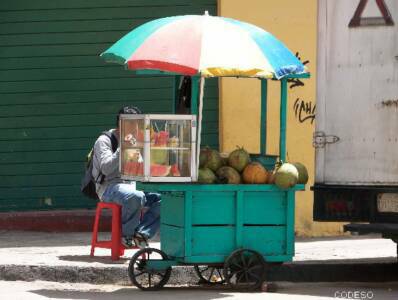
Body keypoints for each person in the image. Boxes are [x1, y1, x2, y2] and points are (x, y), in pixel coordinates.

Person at [92, 106, 161, 248]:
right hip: (108, 187)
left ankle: (142, 233)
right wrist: (122, 147)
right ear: (121, 124)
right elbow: (106, 169)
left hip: (131, 184)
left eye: (138, 124)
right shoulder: (104, 140)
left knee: (165, 197)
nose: (136, 128)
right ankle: (127, 235)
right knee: (134, 196)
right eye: (132, 124)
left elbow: (137, 167)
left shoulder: (135, 140)